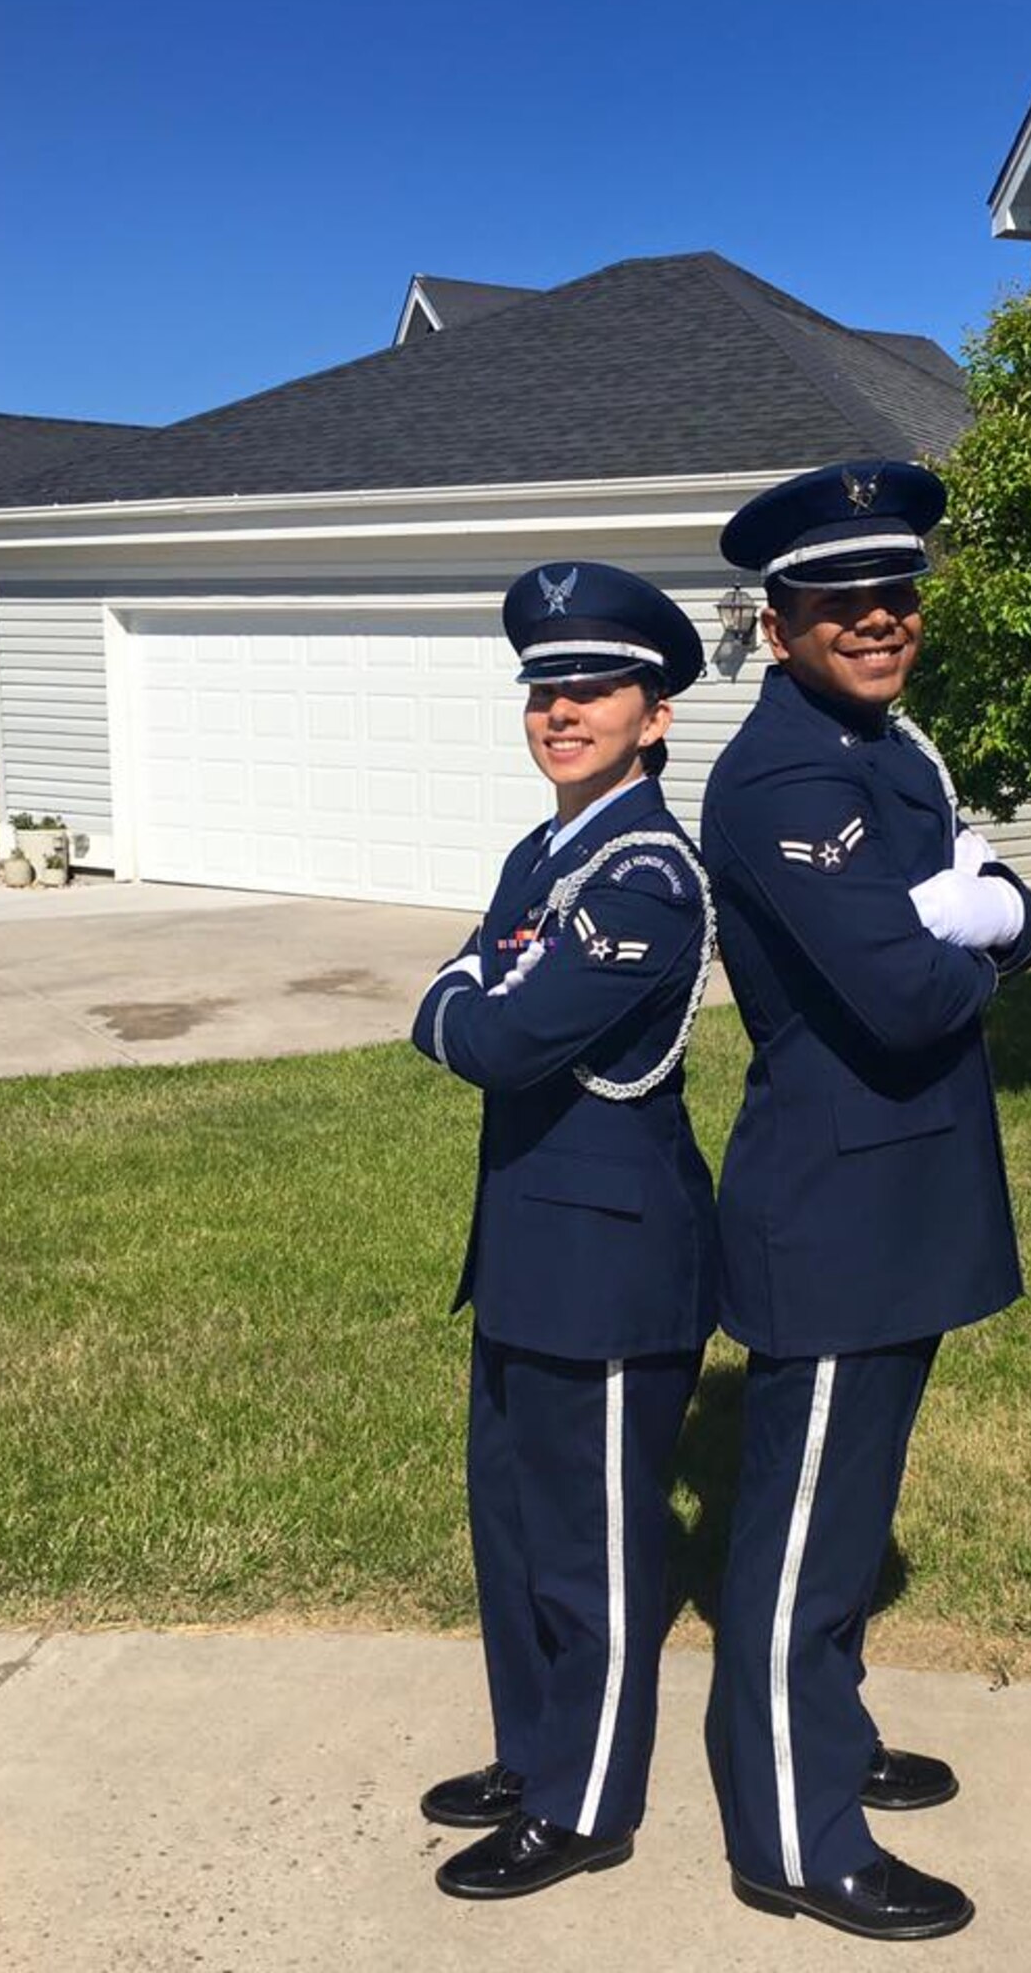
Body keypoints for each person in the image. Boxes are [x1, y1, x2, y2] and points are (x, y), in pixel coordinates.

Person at [700, 461, 1031, 1941]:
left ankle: (823, 1738)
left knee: (850, 1518)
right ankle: (791, 1829)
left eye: (897, 593)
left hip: (898, 1191)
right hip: (834, 1206)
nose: (879, 618)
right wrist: (986, 930)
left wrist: (1004, 915)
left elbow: (998, 907)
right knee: (801, 1537)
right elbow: (908, 997)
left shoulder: (885, 749)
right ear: (778, 625)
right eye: (841, 600)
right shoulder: (786, 773)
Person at [411, 560, 718, 1901]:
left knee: (593, 1543)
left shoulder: (643, 876)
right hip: (534, 1251)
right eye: (545, 687)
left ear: (656, 716)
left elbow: (492, 1033)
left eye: (594, 687)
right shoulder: (546, 856)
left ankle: (587, 1805)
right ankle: (536, 1753)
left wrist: (458, 989)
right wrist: (472, 985)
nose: (562, 708)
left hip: (609, 1262)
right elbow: (484, 997)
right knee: (517, 1528)